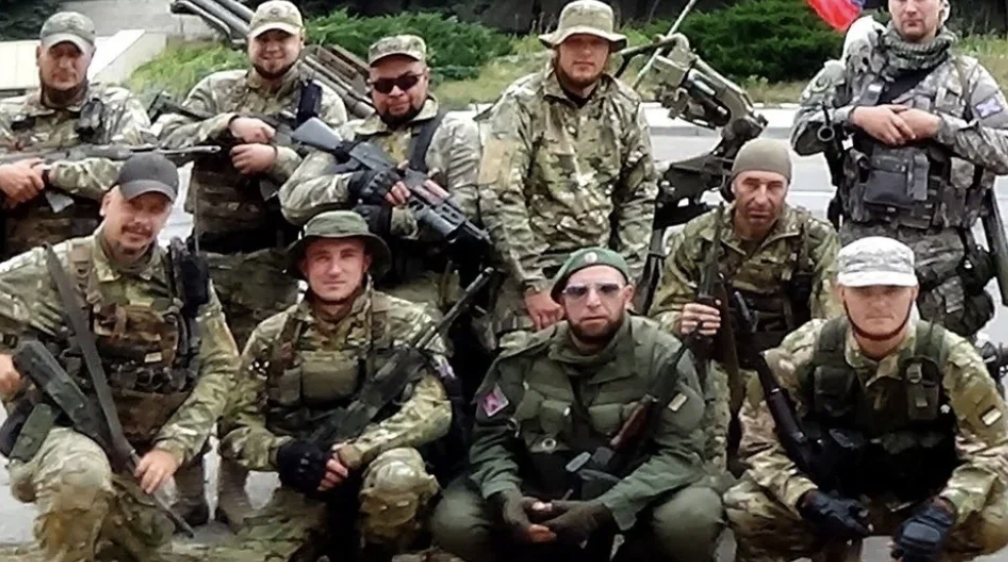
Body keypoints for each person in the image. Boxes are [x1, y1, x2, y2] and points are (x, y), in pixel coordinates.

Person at [0, 154, 238, 562]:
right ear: (107, 202)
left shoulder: (183, 278)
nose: (141, 220)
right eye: (132, 205)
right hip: (59, 433)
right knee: (81, 478)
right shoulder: (55, 267)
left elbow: (221, 366)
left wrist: (173, 447)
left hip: (133, 454)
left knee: (140, 542)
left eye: (155, 210)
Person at [155, 0, 348, 528]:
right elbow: (165, 140)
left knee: (252, 380)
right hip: (207, 253)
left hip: (271, 260)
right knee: (188, 369)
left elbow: (338, 165)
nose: (273, 47)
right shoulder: (216, 90)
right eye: (264, 38)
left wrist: (277, 160)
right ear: (249, 42)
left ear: (301, 41)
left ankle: (233, 490)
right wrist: (226, 125)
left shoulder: (320, 101)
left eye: (283, 38)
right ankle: (188, 491)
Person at [725, 236, 1008, 562]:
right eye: (864, 291)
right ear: (840, 293)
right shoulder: (804, 351)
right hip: (830, 493)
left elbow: (991, 450)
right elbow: (760, 444)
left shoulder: (951, 358)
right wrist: (807, 498)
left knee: (995, 518)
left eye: (892, 290)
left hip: (921, 496)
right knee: (748, 508)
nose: (879, 303)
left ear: (913, 292)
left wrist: (944, 510)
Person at [431, 247, 723, 562]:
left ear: (628, 296)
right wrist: (507, 497)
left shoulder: (663, 357)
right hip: (544, 484)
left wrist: (605, 509)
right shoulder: (524, 358)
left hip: (638, 489)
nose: (593, 301)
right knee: (456, 522)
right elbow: (490, 439)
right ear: (561, 301)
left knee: (690, 519)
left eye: (607, 290)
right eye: (578, 292)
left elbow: (681, 453)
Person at [791, 0, 1008, 342]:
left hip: (939, 273)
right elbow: (801, 135)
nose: (910, 7)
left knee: (940, 370)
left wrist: (938, 127)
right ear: (888, 4)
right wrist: (855, 116)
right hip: (861, 259)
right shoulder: (856, 67)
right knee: (849, 365)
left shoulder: (968, 78)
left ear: (942, 5)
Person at [217, 210, 452, 562]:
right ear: (304, 266)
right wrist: (283, 453)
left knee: (397, 480)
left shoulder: (409, 323)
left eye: (347, 256)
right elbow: (235, 426)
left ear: (366, 262)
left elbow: (435, 408)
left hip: (381, 463)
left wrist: (359, 450)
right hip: (311, 482)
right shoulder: (272, 335)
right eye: (322, 257)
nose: (334, 269)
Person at [649, 139, 840, 475]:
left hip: (784, 366)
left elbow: (831, 326)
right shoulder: (699, 236)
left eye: (774, 186)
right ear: (732, 184)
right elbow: (656, 319)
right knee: (698, 459)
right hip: (715, 365)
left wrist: (786, 363)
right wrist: (682, 321)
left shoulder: (814, 239)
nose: (761, 198)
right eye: (751, 184)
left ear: (787, 189)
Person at [477, 0, 657, 348]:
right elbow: (499, 195)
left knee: (639, 355)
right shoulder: (520, 103)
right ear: (557, 47)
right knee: (523, 355)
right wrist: (533, 285)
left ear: (609, 52)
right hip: (534, 266)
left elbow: (640, 195)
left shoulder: (626, 106)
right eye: (575, 42)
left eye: (596, 44)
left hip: (600, 265)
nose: (585, 53)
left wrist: (624, 281)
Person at [279, 34, 482, 311]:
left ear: (427, 77)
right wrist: (353, 183)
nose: (396, 93)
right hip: (344, 281)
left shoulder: (455, 132)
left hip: (422, 281)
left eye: (407, 81)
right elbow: (292, 203)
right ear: (370, 86)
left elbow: (467, 210)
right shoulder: (349, 137)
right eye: (384, 86)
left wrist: (389, 220)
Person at [0, 11, 154, 265]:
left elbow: (142, 175)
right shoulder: (4, 114)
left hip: (97, 268)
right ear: (38, 54)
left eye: (74, 55)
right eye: (56, 54)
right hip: (17, 270)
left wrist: (50, 174)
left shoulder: (118, 107)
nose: (64, 65)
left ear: (91, 57)